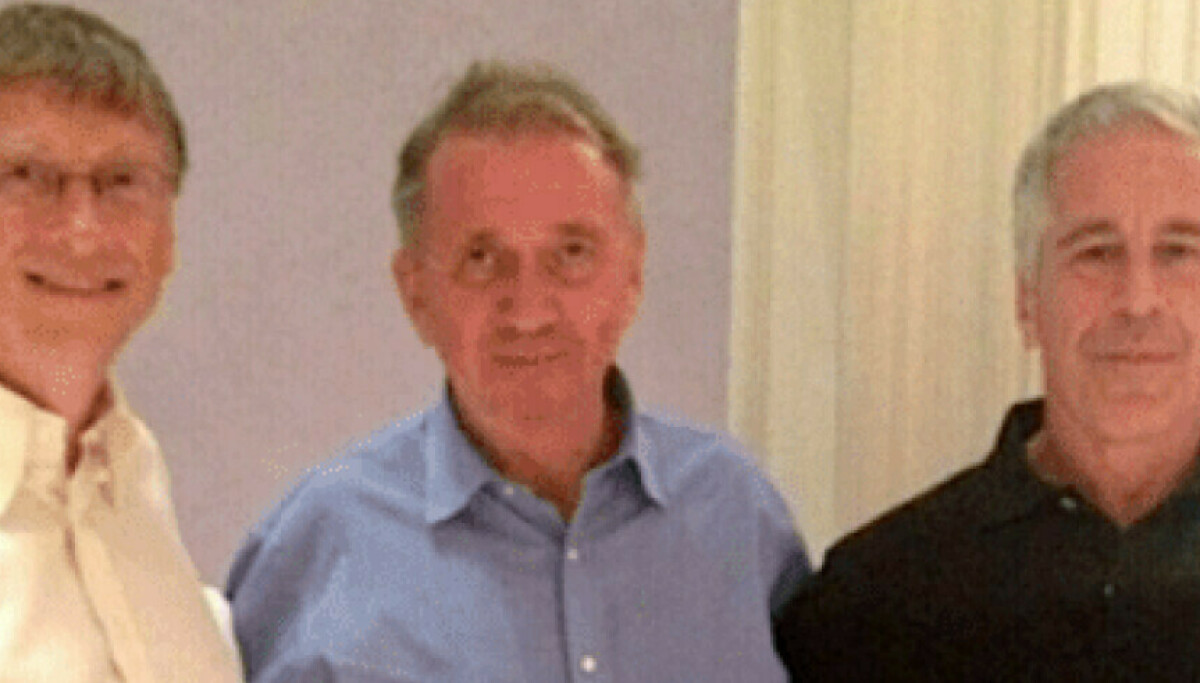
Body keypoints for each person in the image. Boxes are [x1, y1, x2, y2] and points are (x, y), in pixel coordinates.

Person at [226, 60, 809, 682]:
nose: (529, 311)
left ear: (632, 274)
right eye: (482, 259)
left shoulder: (736, 516)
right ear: (416, 292)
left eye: (572, 254)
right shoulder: (319, 548)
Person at [775, 80, 1200, 681]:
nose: (1138, 301)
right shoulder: (874, 601)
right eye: (1096, 252)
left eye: (1180, 252)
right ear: (1027, 301)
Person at [0, 3, 242, 682]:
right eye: (27, 177)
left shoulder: (135, 484)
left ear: (168, 238)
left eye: (122, 182)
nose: (83, 229)